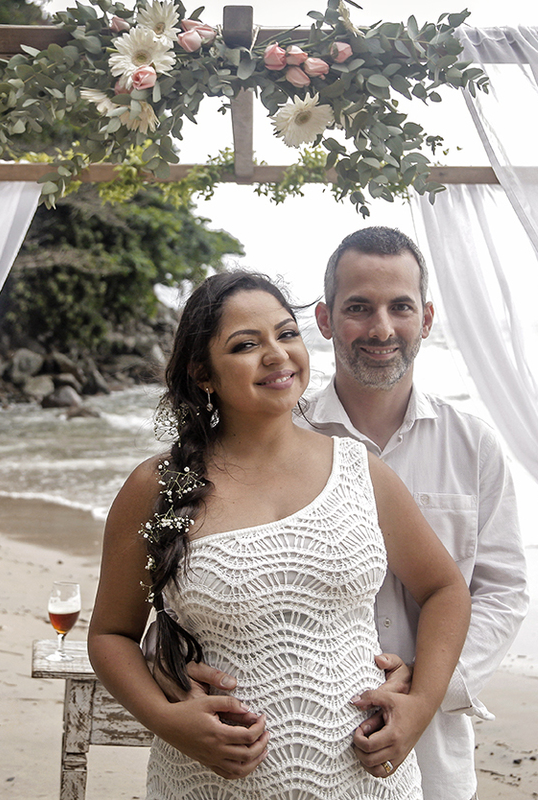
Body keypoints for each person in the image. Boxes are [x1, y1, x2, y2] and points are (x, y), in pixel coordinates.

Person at [86, 270, 472, 799]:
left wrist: (420, 705)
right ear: (203, 373)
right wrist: (168, 721)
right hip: (207, 786)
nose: (276, 355)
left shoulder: (360, 471)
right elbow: (110, 636)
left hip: (365, 787)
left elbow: (445, 590)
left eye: (286, 334)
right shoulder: (156, 487)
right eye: (246, 344)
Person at [179, 228, 529, 800]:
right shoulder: (269, 433)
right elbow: (194, 580)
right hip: (272, 756)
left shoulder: (474, 447)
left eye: (401, 307)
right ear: (323, 319)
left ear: (428, 317)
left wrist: (424, 691)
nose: (382, 328)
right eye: (359, 308)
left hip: (430, 743)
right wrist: (169, 667)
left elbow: (502, 590)